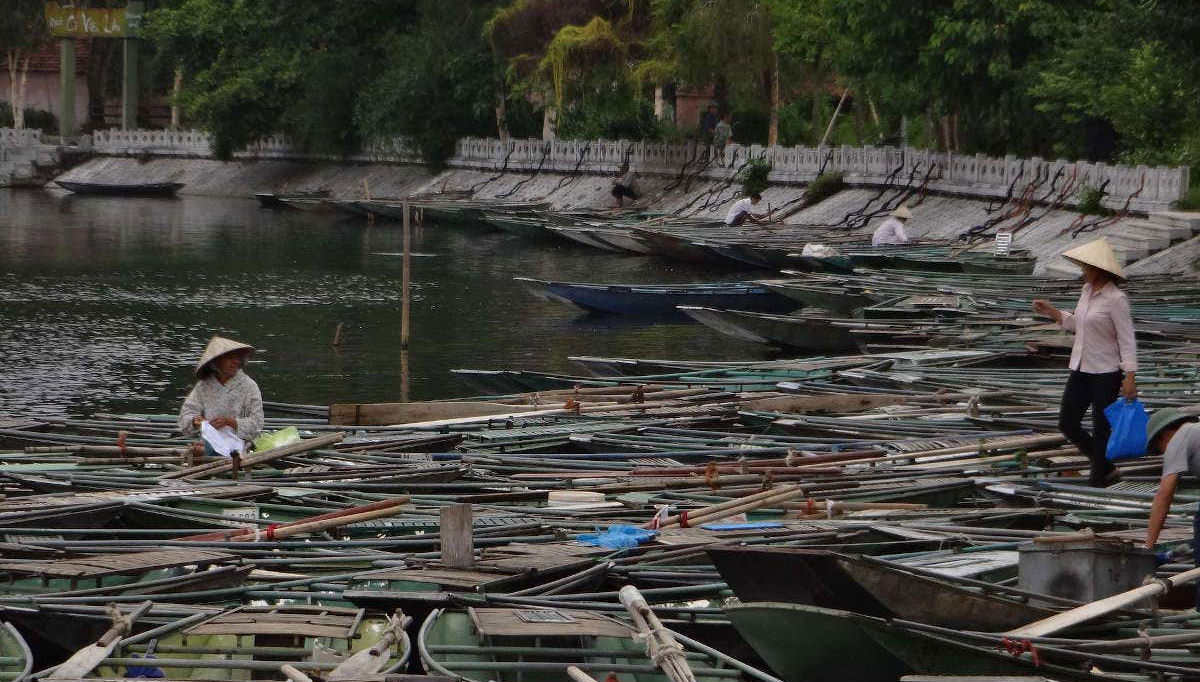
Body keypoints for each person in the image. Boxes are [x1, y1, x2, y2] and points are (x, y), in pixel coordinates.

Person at [1032, 237, 1137, 487]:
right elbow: (1079, 324)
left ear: (1098, 270)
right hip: (1081, 367)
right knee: (1068, 424)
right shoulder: (1086, 292)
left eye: (1086, 268)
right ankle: (1106, 466)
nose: (1083, 272)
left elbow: (1127, 338)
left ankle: (1098, 480)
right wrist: (1052, 312)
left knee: (1102, 429)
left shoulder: (1115, 299)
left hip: (1106, 372)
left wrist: (1130, 377)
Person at [1144, 408, 1200, 605]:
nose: (1164, 453)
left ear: (1165, 434)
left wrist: (1148, 547)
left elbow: (1164, 495)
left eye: (1160, 448)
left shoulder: (1179, 437)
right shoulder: (1195, 431)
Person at [178, 336, 265, 452]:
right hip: (209, 444)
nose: (235, 362)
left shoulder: (249, 386)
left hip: (241, 446)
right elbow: (185, 417)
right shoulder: (204, 385)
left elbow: (257, 424)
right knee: (196, 451)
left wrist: (230, 422)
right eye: (230, 358)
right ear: (216, 361)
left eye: (237, 358)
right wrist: (195, 421)